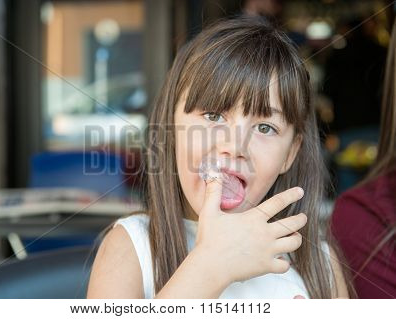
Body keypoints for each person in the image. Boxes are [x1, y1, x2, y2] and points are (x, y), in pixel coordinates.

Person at [87, 16, 352, 299]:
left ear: (290, 154)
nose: (235, 146)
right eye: (213, 116)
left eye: (265, 127)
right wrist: (211, 266)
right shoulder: (129, 248)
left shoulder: (320, 265)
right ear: (172, 129)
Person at [330, 21, 396, 299]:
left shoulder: (338, 57)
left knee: (349, 185)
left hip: (348, 129)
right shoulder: (376, 50)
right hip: (370, 127)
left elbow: (329, 91)